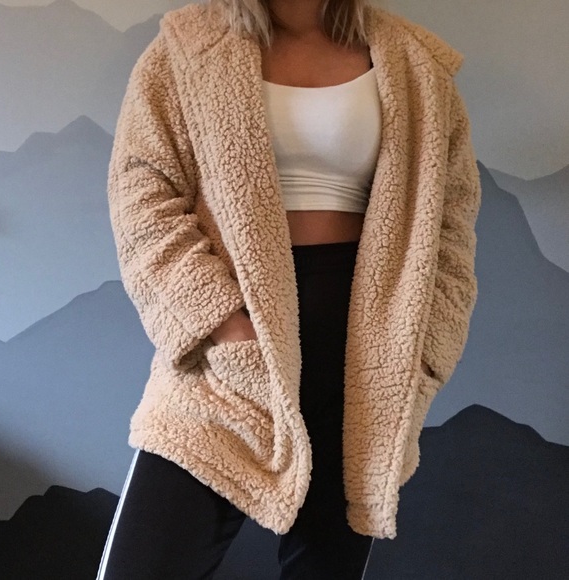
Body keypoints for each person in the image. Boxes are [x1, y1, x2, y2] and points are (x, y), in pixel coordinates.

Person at [96, 0, 481, 578]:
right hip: (228, 354)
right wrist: (221, 324)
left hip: (366, 364)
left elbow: (451, 222)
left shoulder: (414, 62)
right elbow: (141, 194)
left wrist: (423, 354)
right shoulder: (188, 46)